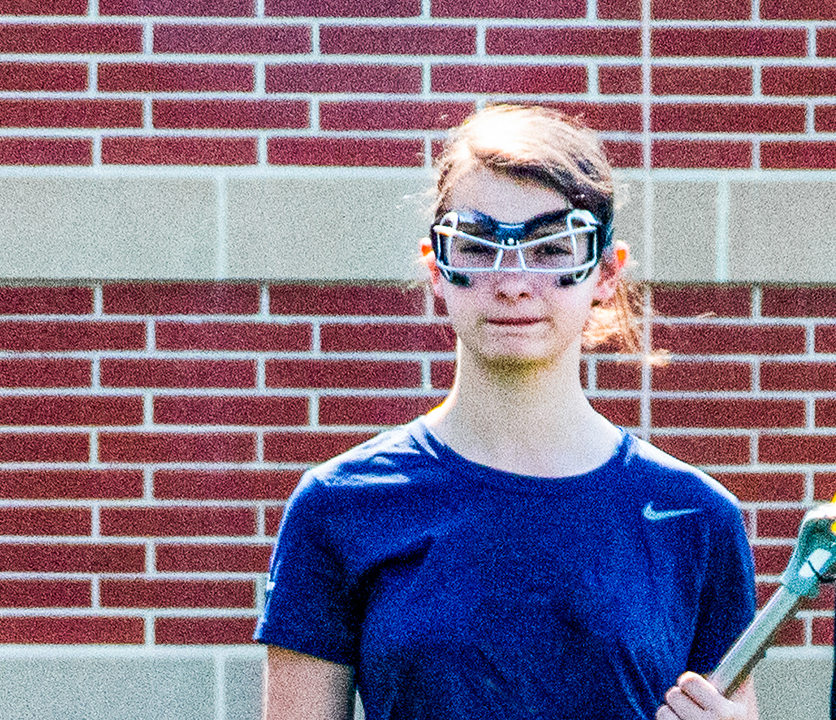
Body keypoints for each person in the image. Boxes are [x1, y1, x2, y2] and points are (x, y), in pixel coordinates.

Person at [255, 104, 759, 720]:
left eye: (552, 247)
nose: (513, 280)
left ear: (604, 272)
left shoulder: (698, 518)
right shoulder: (339, 504)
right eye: (477, 244)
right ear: (435, 268)